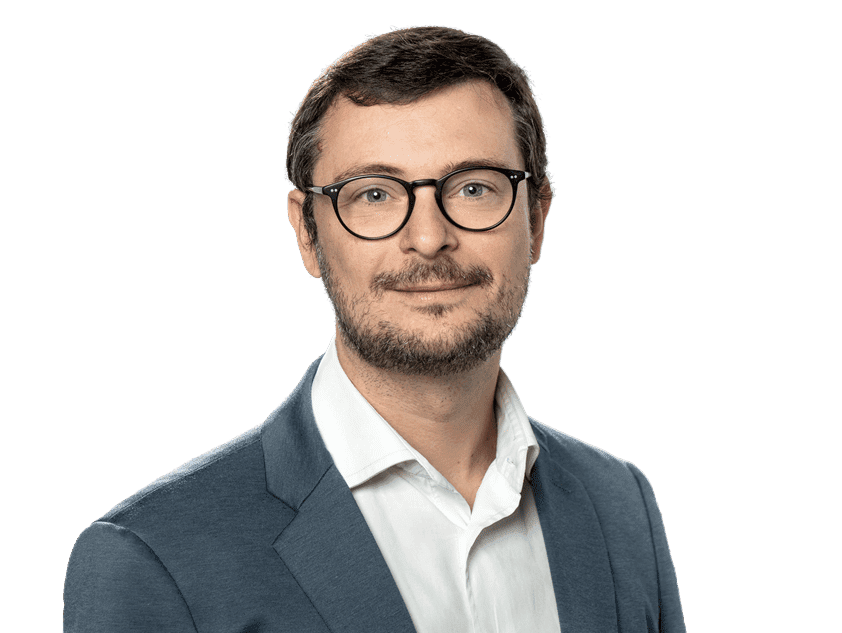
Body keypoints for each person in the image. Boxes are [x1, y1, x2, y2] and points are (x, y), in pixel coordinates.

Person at [63, 26, 685, 632]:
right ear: (306, 232)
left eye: (474, 188)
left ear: (537, 219)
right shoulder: (155, 559)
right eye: (375, 195)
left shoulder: (620, 506)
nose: (429, 238)